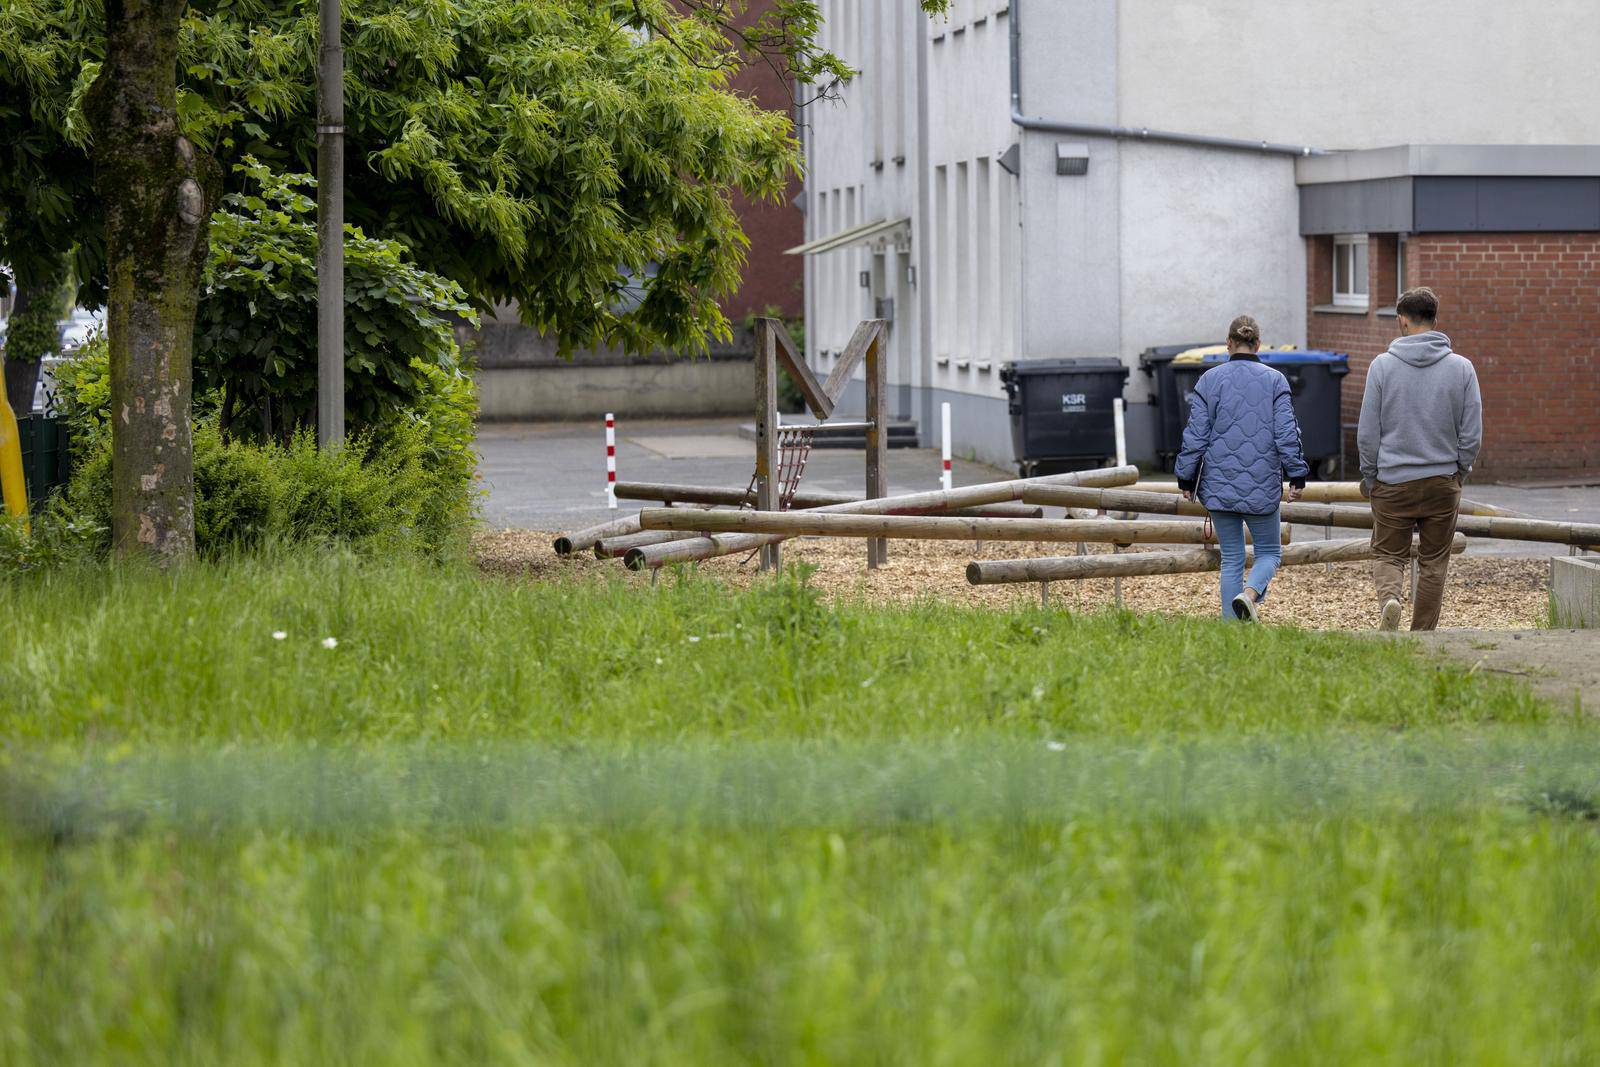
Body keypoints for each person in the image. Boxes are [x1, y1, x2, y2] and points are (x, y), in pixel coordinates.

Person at [1357, 286, 1483, 632]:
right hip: (1442, 481)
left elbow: (1368, 432)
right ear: (1435, 320)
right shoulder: (1462, 369)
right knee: (1433, 563)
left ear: (1401, 321)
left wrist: (1371, 477)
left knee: (1387, 554)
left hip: (1393, 481)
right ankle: (1422, 634)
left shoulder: (1382, 367)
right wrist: (1460, 471)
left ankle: (1390, 600)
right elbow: (1472, 431)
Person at [1175, 316, 1308, 622]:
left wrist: (1186, 475)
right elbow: (1287, 433)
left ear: (1228, 344)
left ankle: (1230, 630)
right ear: (1258, 344)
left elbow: (1195, 434)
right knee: (1269, 554)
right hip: (1262, 486)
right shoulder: (1276, 380)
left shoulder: (1209, 380)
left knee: (1232, 559)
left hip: (1218, 485)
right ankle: (1249, 596)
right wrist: (1297, 475)